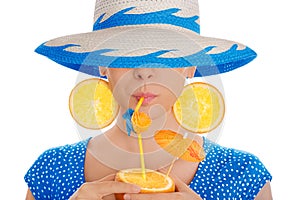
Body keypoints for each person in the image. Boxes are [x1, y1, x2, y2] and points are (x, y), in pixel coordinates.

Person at [25, 0, 272, 199]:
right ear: (101, 63)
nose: (144, 71)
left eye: (165, 54)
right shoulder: (52, 171)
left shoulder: (242, 176)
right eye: (124, 54)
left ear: (191, 66)